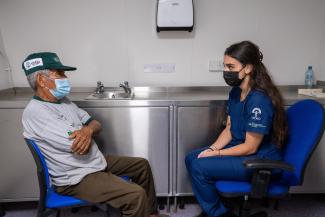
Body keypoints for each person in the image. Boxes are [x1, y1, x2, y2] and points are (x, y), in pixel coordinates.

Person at [22, 52, 169, 217]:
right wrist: (86, 132)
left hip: (93, 161)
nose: (65, 77)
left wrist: (87, 130)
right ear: (42, 80)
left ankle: (150, 214)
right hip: (76, 177)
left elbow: (96, 123)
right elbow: (79, 147)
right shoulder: (37, 112)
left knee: (142, 166)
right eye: (60, 73)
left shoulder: (64, 102)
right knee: (135, 195)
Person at [185, 41, 288, 217]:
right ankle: (221, 206)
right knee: (191, 158)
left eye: (231, 66)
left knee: (199, 167)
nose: (226, 71)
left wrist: (217, 154)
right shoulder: (235, 92)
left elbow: (251, 147)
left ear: (248, 68)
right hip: (240, 149)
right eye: (225, 66)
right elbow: (229, 129)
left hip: (258, 159)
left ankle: (219, 213)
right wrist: (212, 148)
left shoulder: (258, 100)